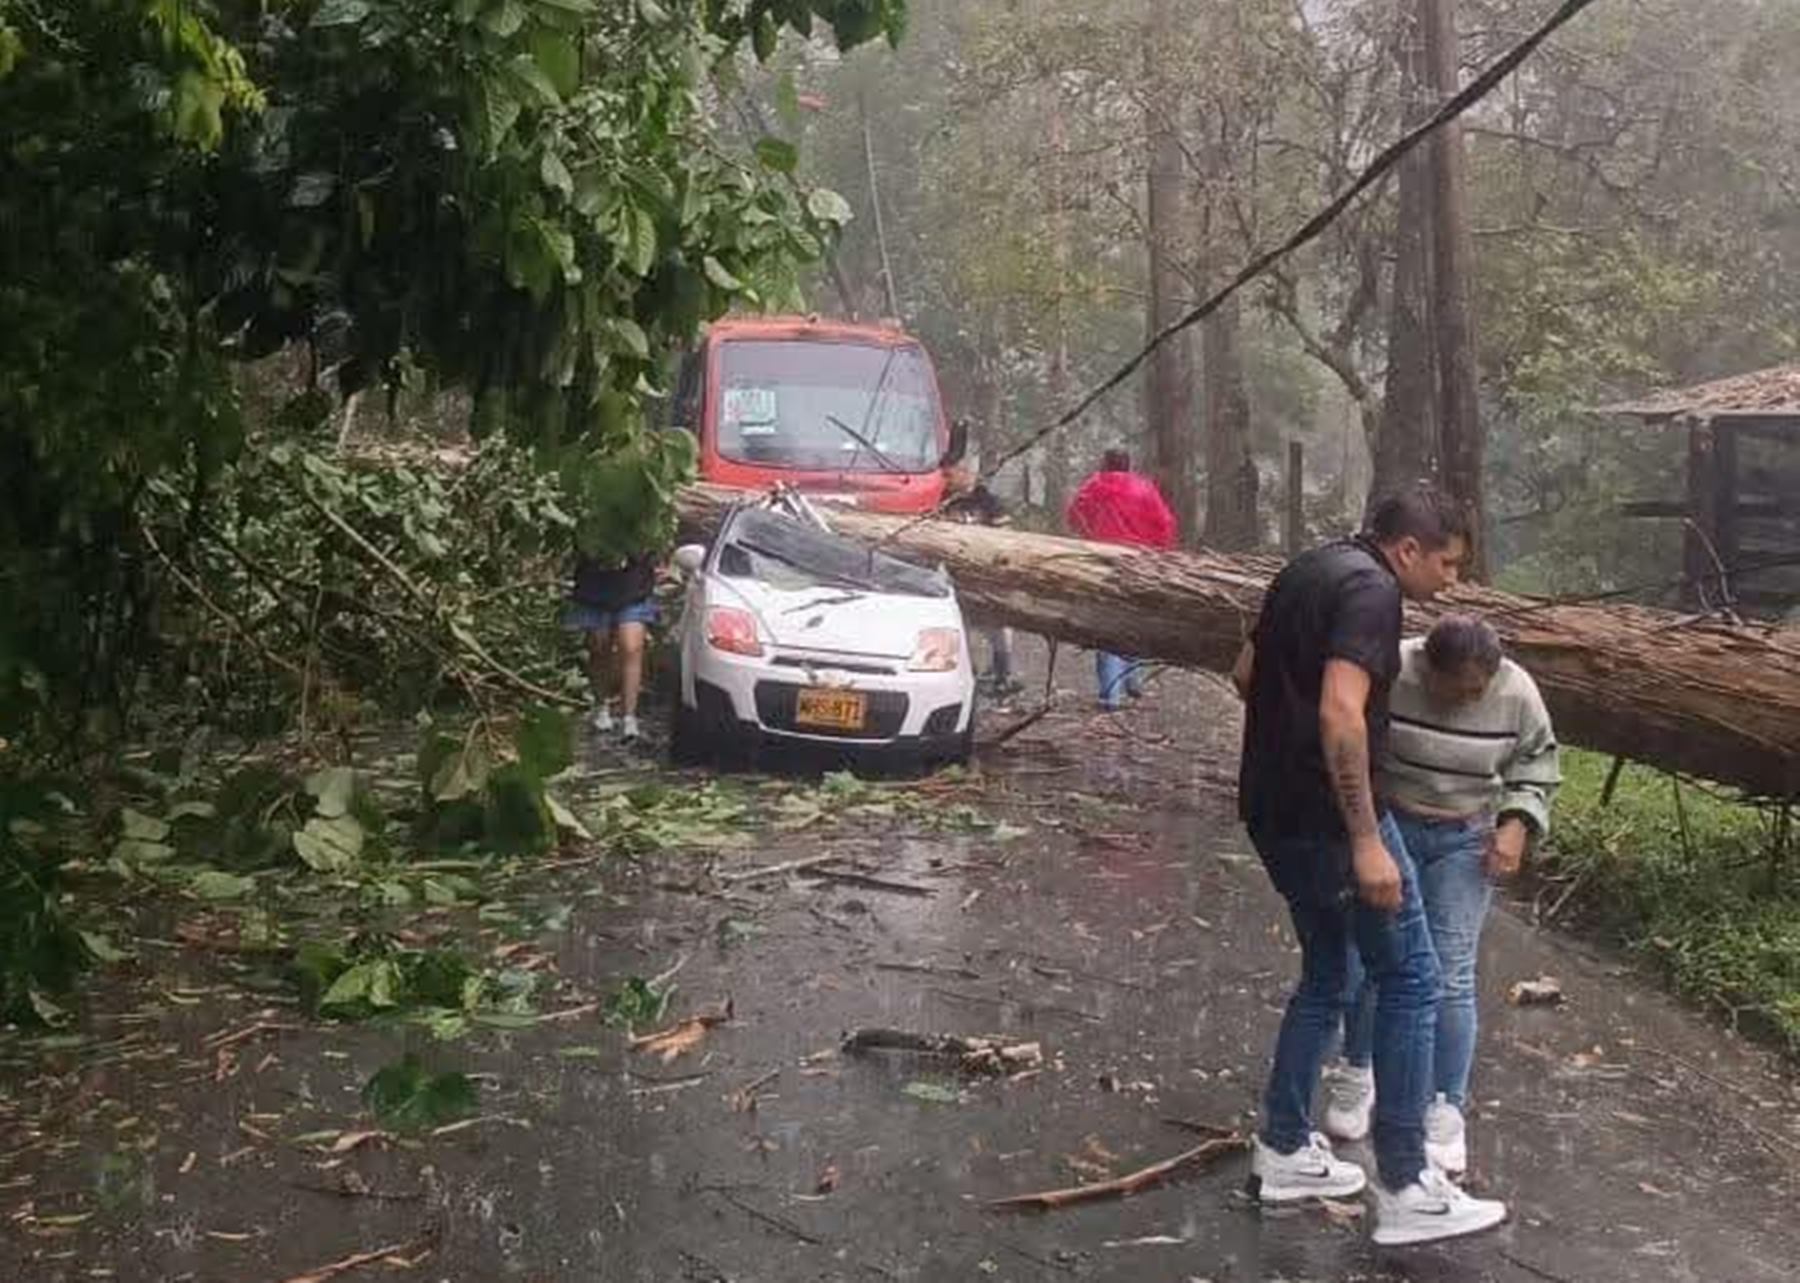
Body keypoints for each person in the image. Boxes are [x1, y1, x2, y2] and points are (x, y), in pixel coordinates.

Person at [1232, 482, 1508, 1247]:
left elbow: (1246, 674)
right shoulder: (1372, 591)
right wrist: (1365, 838)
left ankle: (1283, 1144)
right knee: (1411, 977)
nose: (1451, 582)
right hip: (1331, 820)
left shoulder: (1307, 568)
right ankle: (1408, 1178)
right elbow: (1340, 710)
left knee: (1328, 973)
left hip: (1271, 810)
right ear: (1408, 548)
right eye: (1447, 564)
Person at [1323, 614, 1560, 1177]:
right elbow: (1349, 730)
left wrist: (1517, 822)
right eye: (1458, 688)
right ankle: (1358, 1070)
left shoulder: (1516, 691)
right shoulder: (1395, 669)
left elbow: (1538, 761)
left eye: (1479, 689)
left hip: (1465, 835)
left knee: (1451, 970)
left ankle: (1444, 1106)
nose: (1469, 698)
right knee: (1375, 957)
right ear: (1429, 669)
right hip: (1393, 825)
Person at [1065, 447, 1177, 710]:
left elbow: (1074, 515)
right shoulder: (1144, 488)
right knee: (1133, 621)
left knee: (1107, 627)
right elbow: (1165, 522)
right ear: (1128, 465)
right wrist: (1160, 553)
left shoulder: (1094, 486)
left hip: (1103, 562)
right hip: (1139, 562)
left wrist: (1090, 535)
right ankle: (1132, 681)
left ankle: (1109, 695)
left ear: (1105, 463)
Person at [942, 468, 1021, 698]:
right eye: (948, 474)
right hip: (954, 577)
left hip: (989, 578)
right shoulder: (943, 500)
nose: (952, 478)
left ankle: (1002, 675)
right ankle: (968, 675)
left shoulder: (988, 502)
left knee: (999, 630)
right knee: (962, 629)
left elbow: (1006, 537)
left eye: (955, 474)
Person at [567, 549, 658, 742]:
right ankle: (602, 707)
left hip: (634, 586)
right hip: (595, 587)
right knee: (599, 647)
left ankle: (629, 718)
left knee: (631, 647)